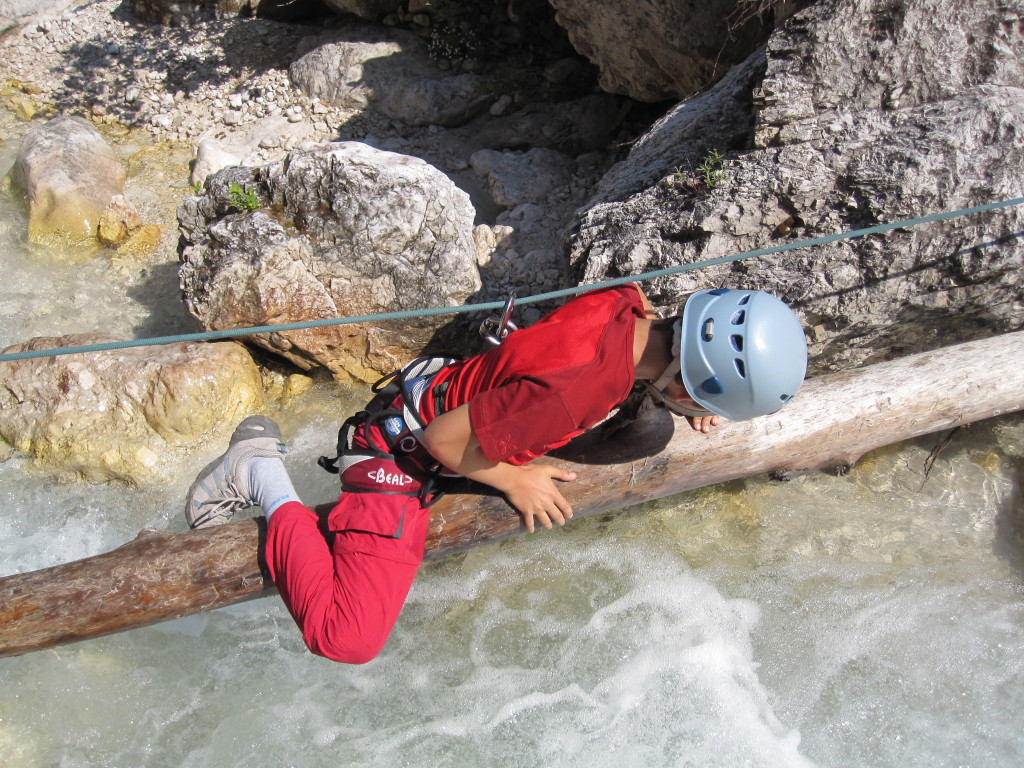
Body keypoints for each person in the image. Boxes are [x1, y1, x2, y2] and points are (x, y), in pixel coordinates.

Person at [184, 282, 807, 663]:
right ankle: (259, 470)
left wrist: (682, 401)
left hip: (453, 389)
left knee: (648, 428)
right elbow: (440, 440)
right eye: (709, 404)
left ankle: (522, 450)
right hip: (398, 449)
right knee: (346, 636)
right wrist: (514, 478)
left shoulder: (628, 305)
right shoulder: (574, 397)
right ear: (694, 385)